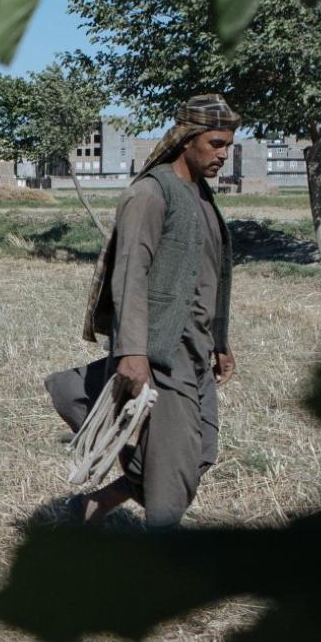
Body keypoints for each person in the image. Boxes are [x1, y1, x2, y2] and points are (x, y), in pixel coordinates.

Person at [45, 93, 240, 528]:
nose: (223, 154)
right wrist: (132, 351)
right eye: (215, 144)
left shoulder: (201, 196)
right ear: (186, 140)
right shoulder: (150, 194)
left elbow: (209, 277)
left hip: (196, 350)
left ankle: (91, 504)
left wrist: (221, 343)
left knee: (201, 452)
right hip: (160, 352)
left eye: (228, 145)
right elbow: (130, 276)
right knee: (171, 476)